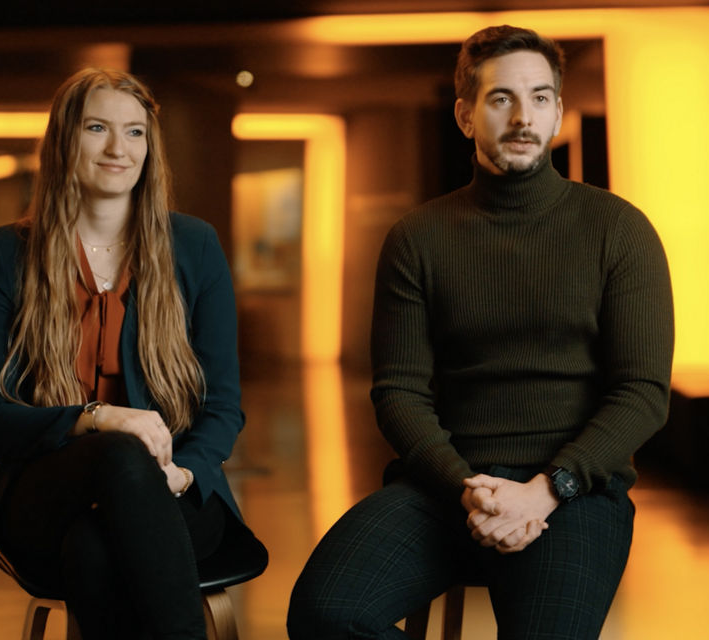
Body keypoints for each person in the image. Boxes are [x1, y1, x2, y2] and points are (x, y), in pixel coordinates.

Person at [288, 25, 674, 639]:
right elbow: (398, 393)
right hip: (445, 486)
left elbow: (642, 392)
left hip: (572, 494)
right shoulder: (418, 237)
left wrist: (548, 488)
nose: (524, 116)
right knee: (325, 612)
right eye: (502, 99)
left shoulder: (619, 231)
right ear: (466, 116)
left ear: (558, 114)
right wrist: (467, 489)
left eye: (541, 98)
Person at [0, 68, 249, 640]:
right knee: (118, 454)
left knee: (94, 550)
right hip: (47, 492)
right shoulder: (6, 255)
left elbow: (223, 408)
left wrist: (182, 473)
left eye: (135, 132)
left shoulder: (194, 247)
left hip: (178, 490)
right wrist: (101, 418)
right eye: (98, 128)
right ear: (66, 140)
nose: (119, 148)